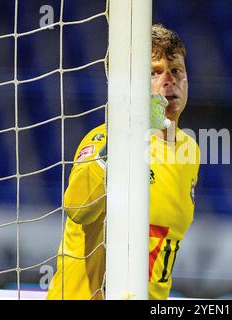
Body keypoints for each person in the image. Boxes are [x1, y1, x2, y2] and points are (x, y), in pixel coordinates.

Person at [47, 24, 200, 300]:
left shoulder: (190, 150)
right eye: (155, 72)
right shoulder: (105, 138)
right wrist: (120, 141)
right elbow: (78, 209)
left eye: (176, 70)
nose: (169, 81)